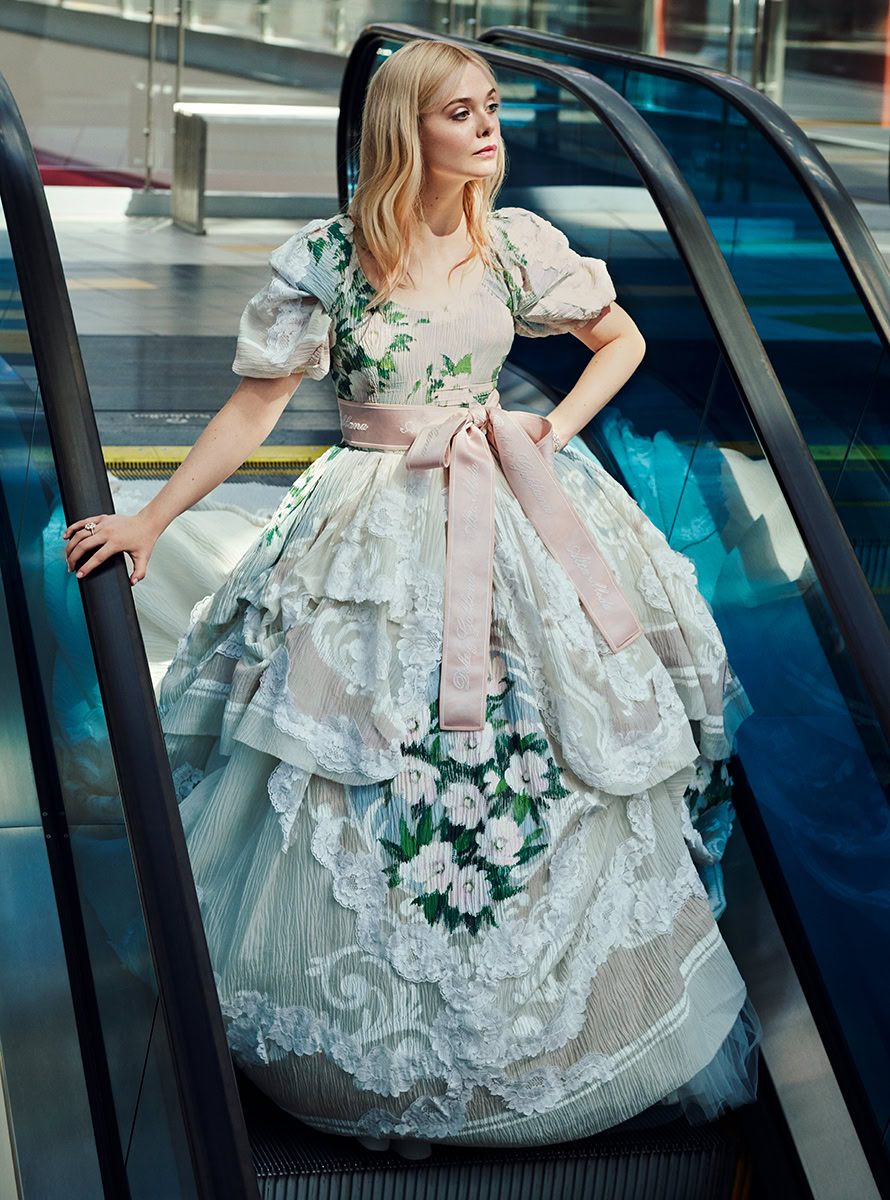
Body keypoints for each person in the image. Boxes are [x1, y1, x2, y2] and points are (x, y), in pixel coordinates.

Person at [62, 37, 760, 1151]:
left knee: (550, 743)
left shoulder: (513, 245)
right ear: (406, 131)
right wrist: (152, 517)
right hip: (370, 523)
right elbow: (253, 410)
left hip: (512, 496)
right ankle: (374, 1048)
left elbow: (615, 339)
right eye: (459, 113)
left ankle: (539, 1043)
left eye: (490, 108)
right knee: (352, 753)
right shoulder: (333, 260)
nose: (487, 129)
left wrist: (548, 430)